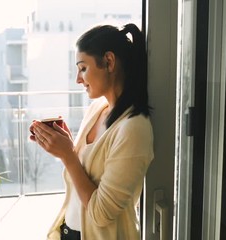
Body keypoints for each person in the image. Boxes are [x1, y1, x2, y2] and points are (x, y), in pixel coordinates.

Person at [29, 23, 154, 240]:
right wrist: (66, 146)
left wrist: (68, 156)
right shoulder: (98, 109)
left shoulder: (134, 129)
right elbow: (83, 172)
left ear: (109, 61)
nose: (78, 79)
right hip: (69, 231)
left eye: (83, 68)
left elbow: (101, 213)